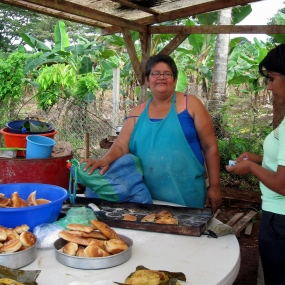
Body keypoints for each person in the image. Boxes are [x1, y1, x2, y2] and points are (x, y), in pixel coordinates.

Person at [81, 54, 221, 212]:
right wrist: (105, 159)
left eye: (167, 73)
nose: (161, 77)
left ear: (174, 80)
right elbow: (121, 145)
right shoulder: (136, 114)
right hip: (146, 199)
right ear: (147, 81)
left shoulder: (191, 105)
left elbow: (210, 147)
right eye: (155, 73)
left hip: (187, 197)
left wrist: (215, 186)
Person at [226, 44, 285, 285]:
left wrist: (250, 168)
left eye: (271, 78)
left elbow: (282, 184)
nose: (269, 86)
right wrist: (259, 159)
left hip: (280, 221)